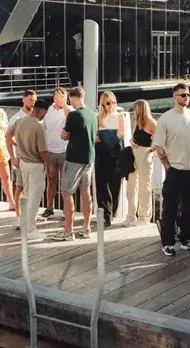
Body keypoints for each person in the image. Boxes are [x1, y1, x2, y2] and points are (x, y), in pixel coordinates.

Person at [153, 83, 190, 256]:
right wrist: (168, 166)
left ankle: (187, 239)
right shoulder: (165, 119)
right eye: (183, 95)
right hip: (175, 169)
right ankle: (167, 242)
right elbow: (159, 146)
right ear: (174, 97)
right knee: (170, 207)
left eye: (188, 94)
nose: (186, 97)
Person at [54, 86, 96, 241]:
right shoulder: (92, 114)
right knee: (86, 192)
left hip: (74, 159)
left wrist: (64, 133)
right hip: (89, 157)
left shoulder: (73, 115)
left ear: (72, 98)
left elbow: (64, 135)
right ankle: (86, 227)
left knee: (67, 193)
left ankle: (68, 230)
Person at [10, 95, 51, 242]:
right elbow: (43, 151)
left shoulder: (19, 121)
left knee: (26, 194)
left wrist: (17, 149)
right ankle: (31, 229)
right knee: (35, 197)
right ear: (42, 112)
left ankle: (24, 222)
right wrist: (50, 166)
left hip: (23, 163)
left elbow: (7, 136)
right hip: (36, 165)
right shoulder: (38, 127)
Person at [93, 90, 131, 225]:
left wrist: (107, 138)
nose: (111, 105)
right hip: (102, 154)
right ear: (103, 103)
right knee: (102, 184)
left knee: (115, 184)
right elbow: (94, 137)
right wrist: (105, 138)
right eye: (108, 103)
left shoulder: (119, 116)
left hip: (115, 153)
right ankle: (105, 214)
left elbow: (121, 133)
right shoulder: (97, 117)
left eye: (113, 102)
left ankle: (112, 212)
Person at [40, 87, 69, 221]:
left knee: (65, 182)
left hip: (64, 151)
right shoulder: (48, 111)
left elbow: (72, 119)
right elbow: (42, 127)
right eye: (57, 97)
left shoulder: (69, 110)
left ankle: (66, 209)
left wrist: (64, 106)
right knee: (50, 180)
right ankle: (49, 207)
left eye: (62, 97)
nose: (59, 99)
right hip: (50, 151)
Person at [128, 99, 156, 226]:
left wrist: (150, 150)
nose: (134, 111)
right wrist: (132, 142)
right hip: (135, 153)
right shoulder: (138, 122)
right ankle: (131, 215)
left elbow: (159, 138)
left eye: (136, 109)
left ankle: (144, 216)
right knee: (132, 185)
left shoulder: (150, 122)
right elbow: (135, 137)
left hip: (145, 155)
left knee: (144, 185)